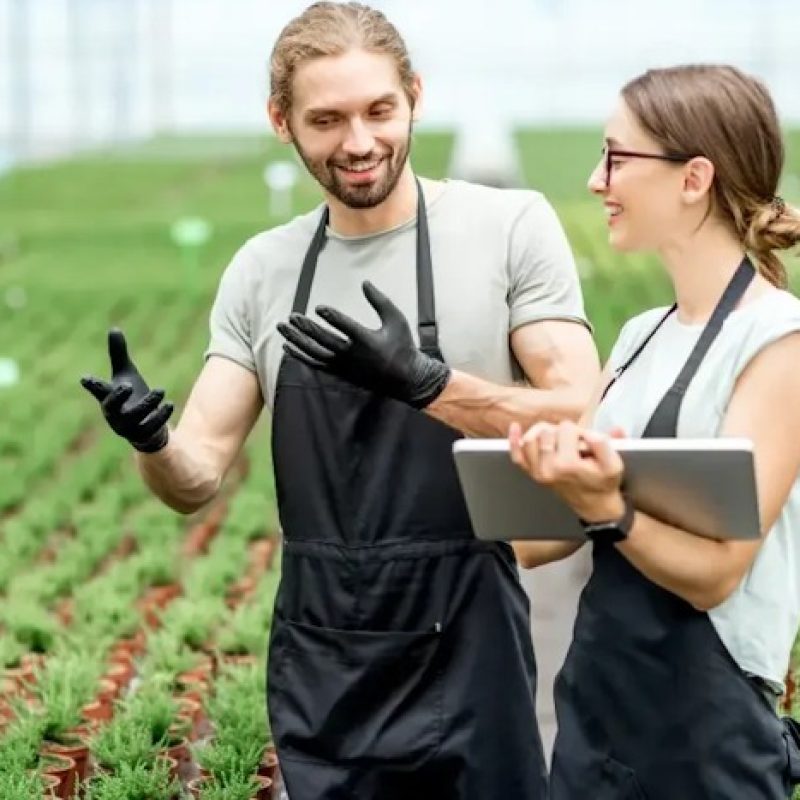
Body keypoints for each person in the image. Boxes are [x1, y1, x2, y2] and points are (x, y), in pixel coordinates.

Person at [80, 3, 598, 797]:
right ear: (281, 122)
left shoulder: (506, 227)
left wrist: (430, 383)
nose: (358, 142)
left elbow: (575, 406)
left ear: (415, 96)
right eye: (326, 119)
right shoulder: (263, 269)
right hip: (326, 649)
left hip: (470, 643)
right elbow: (195, 479)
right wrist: (152, 442)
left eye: (379, 110)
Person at [509, 64, 800, 799]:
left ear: (693, 177)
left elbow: (717, 574)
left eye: (616, 156)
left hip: (707, 735)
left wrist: (609, 508)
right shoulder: (643, 334)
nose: (595, 180)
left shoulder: (779, 341)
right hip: (597, 714)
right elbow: (545, 540)